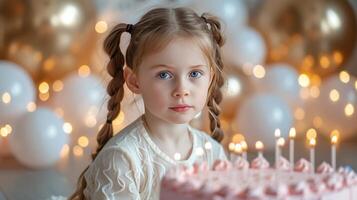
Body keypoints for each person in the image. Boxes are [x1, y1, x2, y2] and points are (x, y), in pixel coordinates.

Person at [69, 7, 227, 200]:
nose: (182, 89)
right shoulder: (123, 160)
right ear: (135, 81)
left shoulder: (213, 153)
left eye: (194, 73)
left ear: (210, 78)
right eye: (164, 74)